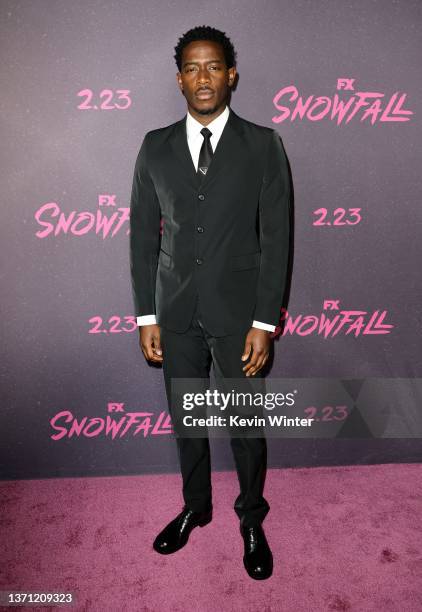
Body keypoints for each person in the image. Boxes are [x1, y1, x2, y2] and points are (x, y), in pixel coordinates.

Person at [129, 25, 291, 580]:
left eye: (214, 66)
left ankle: (251, 519)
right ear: (179, 79)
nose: (203, 77)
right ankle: (196, 508)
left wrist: (264, 322)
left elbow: (277, 241)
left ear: (231, 75)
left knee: (246, 425)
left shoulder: (264, 145)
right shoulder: (154, 146)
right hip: (174, 315)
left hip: (240, 315)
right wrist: (147, 314)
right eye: (193, 68)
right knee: (186, 421)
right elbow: (142, 238)